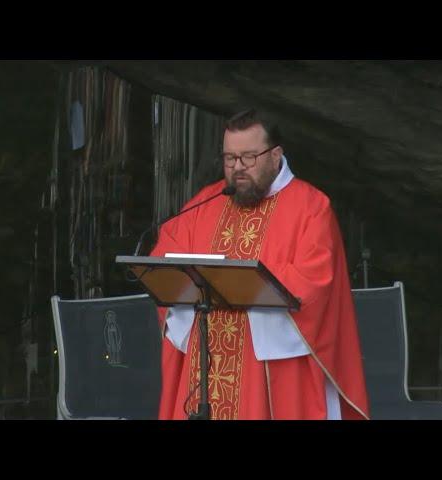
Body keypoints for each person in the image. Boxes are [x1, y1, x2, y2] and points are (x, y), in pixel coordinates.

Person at [150, 108, 369, 420]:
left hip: (269, 369)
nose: (238, 168)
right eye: (230, 159)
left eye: (249, 158)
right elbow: (164, 261)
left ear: (276, 155)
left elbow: (314, 281)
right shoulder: (205, 203)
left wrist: (239, 287)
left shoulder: (311, 207)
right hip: (206, 362)